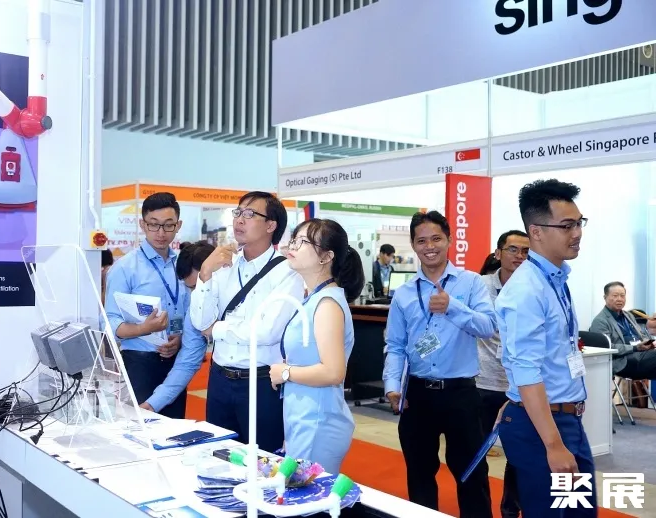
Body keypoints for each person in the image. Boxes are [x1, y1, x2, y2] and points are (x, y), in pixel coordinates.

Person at [382, 210, 495, 518]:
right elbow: (395, 345)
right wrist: (392, 386)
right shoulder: (404, 293)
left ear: (449, 240)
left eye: (436, 239)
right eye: (421, 241)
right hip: (417, 395)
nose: (429, 246)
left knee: (471, 473)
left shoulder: (471, 283)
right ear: (413, 245)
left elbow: (488, 326)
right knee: (419, 473)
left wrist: (453, 307)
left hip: (461, 394)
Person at [495, 179, 595, 517]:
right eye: (567, 226)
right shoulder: (527, 289)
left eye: (579, 223)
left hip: (562, 420)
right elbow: (527, 370)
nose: (577, 233)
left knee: (579, 511)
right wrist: (553, 444)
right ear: (536, 232)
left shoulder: (554, 278)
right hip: (544, 428)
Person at [189, 191, 305, 452]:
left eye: (250, 214)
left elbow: (265, 332)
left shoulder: (287, 272)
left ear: (271, 225)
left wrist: (216, 330)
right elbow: (199, 321)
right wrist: (205, 273)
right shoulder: (223, 264)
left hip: (261, 383)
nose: (239, 220)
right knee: (219, 457)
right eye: (238, 213)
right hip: (219, 379)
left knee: (263, 461)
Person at [268, 218, 365, 474]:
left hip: (318, 422)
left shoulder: (327, 304)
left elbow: (333, 372)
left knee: (307, 495)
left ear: (326, 256)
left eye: (303, 242)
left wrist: (285, 372)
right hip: (304, 417)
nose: (293, 246)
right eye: (294, 240)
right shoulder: (314, 299)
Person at [104, 192, 207, 418]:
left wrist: (181, 338)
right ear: (143, 224)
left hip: (177, 361)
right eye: (154, 225)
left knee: (175, 428)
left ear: (178, 225)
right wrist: (143, 329)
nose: (161, 233)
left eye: (168, 225)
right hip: (140, 364)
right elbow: (109, 323)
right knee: (140, 427)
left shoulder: (183, 265)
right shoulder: (125, 268)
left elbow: (191, 313)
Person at [476, 230, 528, 518]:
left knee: (518, 456)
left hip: (520, 386)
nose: (519, 256)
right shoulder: (480, 285)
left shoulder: (534, 287)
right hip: (483, 381)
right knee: (476, 453)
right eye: (513, 249)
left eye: (525, 251)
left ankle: (510, 510)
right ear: (498, 253)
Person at [589, 282, 656, 380]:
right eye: (615, 296)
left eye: (622, 295)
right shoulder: (600, 321)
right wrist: (634, 348)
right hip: (623, 360)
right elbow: (606, 348)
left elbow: (642, 335)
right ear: (605, 297)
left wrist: (649, 343)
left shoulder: (629, 315)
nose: (619, 299)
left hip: (642, 354)